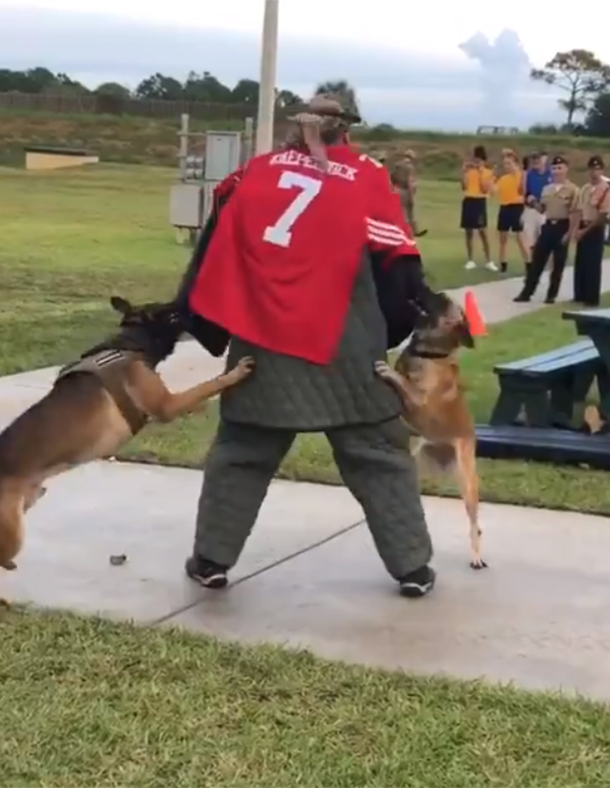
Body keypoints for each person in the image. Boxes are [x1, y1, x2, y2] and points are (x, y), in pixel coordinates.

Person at [175, 94, 439, 598]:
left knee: (242, 451)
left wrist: (205, 323)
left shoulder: (255, 172)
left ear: (298, 127)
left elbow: (215, 249)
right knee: (379, 453)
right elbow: (399, 266)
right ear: (346, 130)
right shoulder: (365, 176)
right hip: (346, 342)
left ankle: (211, 560)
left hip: (262, 341)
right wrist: (384, 334)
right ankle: (412, 568)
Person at [513, 155, 581, 304]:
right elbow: (542, 209)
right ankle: (527, 292)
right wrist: (532, 201)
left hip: (563, 226)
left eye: (560, 168)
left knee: (558, 263)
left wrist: (570, 233)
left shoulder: (573, 190)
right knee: (537, 260)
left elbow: (575, 213)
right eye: (554, 168)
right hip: (549, 225)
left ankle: (551, 294)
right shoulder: (547, 189)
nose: (557, 171)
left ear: (566, 169)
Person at [571, 155, 610, 306]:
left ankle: (591, 298)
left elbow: (602, 215)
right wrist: (576, 229)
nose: (594, 172)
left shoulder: (606, 189)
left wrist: (585, 231)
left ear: (601, 170)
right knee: (581, 262)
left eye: (597, 169)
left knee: (592, 264)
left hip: (595, 227)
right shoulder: (585, 188)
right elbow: (579, 209)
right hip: (583, 224)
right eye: (592, 169)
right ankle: (580, 294)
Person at [460, 145, 494, 270]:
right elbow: (464, 187)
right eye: (475, 159)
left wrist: (480, 172)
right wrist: (463, 172)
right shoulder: (469, 171)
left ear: (483, 161)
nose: (476, 162)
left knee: (482, 231)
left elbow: (485, 189)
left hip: (479, 201)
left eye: (479, 160)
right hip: (468, 200)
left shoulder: (488, 172)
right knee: (468, 232)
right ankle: (470, 260)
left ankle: (489, 261)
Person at [492, 149, 527, 273]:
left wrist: (511, 154)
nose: (507, 166)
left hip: (517, 208)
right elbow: (495, 191)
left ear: (515, 164)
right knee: (503, 237)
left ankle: (528, 263)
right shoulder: (503, 179)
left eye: (509, 164)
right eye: (505, 164)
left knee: (520, 237)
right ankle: (503, 263)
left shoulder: (521, 175)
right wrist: (493, 180)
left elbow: (524, 190)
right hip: (505, 207)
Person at [390, 149, 427, 236]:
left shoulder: (397, 165)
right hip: (406, 190)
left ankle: (402, 229)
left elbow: (392, 178)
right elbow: (410, 181)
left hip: (397, 189)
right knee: (409, 212)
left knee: (399, 212)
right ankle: (412, 231)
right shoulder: (410, 167)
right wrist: (412, 195)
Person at [521, 151, 550, 259]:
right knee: (530, 240)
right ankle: (533, 263)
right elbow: (525, 193)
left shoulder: (549, 173)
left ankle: (543, 260)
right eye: (534, 160)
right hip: (532, 208)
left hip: (546, 209)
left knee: (543, 238)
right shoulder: (529, 174)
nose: (536, 162)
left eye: (538, 159)